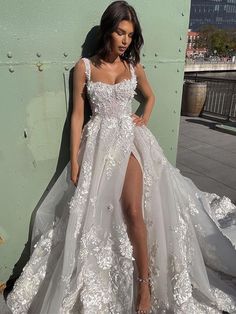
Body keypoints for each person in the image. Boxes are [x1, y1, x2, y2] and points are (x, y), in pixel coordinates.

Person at [6, 1, 236, 313]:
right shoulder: (84, 68)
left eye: (130, 34)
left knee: (133, 209)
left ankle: (145, 287)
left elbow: (151, 96)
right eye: (120, 32)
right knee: (96, 217)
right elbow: (76, 117)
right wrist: (74, 161)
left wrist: (144, 114)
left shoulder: (132, 67)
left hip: (131, 141)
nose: (125, 39)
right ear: (108, 30)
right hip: (99, 144)